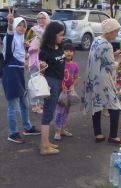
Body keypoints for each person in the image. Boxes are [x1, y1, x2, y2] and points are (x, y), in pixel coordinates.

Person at [82, 18, 121, 144]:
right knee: (115, 106)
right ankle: (113, 136)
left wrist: (114, 54)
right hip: (104, 79)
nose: (117, 34)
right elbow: (111, 66)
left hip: (93, 77)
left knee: (96, 103)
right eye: (116, 31)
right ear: (109, 31)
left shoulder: (97, 40)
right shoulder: (107, 45)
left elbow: (100, 57)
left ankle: (98, 134)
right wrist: (120, 59)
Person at [2, 8, 40, 144]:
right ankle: (12, 133)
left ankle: (27, 127)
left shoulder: (21, 43)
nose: (22, 27)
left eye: (24, 25)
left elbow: (21, 58)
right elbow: (10, 36)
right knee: (13, 106)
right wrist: (10, 24)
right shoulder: (10, 39)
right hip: (10, 76)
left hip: (18, 76)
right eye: (20, 25)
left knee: (24, 103)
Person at [39, 21, 65, 155]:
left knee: (51, 111)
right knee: (48, 113)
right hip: (51, 82)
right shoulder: (45, 51)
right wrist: (41, 65)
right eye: (60, 35)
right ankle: (44, 146)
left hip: (58, 82)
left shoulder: (59, 46)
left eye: (63, 35)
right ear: (52, 35)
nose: (62, 37)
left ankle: (47, 143)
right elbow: (40, 70)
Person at [25, 12, 50, 114]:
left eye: (43, 18)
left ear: (47, 18)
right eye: (39, 18)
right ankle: (35, 105)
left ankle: (42, 104)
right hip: (34, 58)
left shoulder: (49, 30)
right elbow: (26, 42)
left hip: (45, 59)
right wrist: (30, 44)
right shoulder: (33, 29)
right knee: (35, 83)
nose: (41, 20)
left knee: (44, 83)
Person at [53, 43, 79, 141]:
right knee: (59, 111)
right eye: (66, 51)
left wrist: (73, 85)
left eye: (71, 51)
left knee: (66, 111)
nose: (69, 53)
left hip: (69, 92)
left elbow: (76, 78)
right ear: (62, 52)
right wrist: (61, 86)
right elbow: (56, 76)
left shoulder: (75, 65)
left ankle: (63, 129)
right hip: (60, 91)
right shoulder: (60, 63)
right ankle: (57, 131)